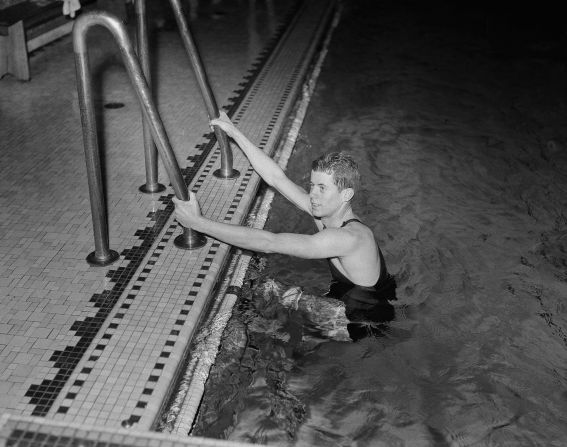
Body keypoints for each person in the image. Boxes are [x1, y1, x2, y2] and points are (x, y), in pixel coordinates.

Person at [173, 112, 396, 334]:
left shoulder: (348, 237)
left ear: (346, 194)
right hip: (346, 299)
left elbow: (270, 242)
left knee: (260, 303)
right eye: (312, 185)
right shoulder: (325, 212)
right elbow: (276, 178)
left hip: (366, 320)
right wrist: (233, 132)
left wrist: (197, 222)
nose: (313, 195)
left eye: (322, 188)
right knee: (262, 300)